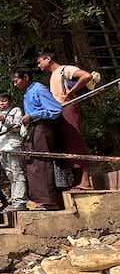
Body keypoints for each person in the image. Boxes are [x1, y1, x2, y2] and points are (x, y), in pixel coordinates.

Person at [37, 50, 92, 190]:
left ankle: (85, 181)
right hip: (59, 111)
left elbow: (86, 76)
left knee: (76, 142)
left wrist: (71, 91)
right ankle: (78, 180)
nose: (39, 65)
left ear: (48, 59)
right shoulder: (53, 75)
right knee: (68, 145)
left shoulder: (65, 69)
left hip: (68, 108)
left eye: (40, 62)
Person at [11, 67, 62, 210]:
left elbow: (55, 109)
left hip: (42, 127)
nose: (15, 85)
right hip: (32, 129)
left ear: (26, 77)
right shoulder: (27, 92)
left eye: (16, 81)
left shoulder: (39, 89)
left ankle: (49, 201)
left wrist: (32, 115)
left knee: (41, 162)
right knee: (33, 164)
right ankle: (39, 200)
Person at [0, 91, 27, 212]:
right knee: (10, 175)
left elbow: (18, 127)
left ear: (9, 101)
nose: (1, 104)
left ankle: (21, 201)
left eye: (4, 101)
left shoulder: (15, 110)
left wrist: (4, 120)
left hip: (13, 146)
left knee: (17, 173)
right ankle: (15, 200)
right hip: (3, 148)